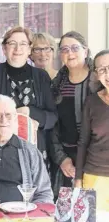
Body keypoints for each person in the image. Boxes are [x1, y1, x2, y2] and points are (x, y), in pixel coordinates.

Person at [0, 26, 57, 171]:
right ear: (4, 49)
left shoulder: (41, 76)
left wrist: (29, 111)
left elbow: (52, 117)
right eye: (12, 43)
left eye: (23, 44)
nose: (18, 48)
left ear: (30, 49)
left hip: (35, 150)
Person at [49, 31, 97, 198]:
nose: (70, 53)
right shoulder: (56, 84)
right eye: (64, 49)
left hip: (96, 160)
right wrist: (62, 159)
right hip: (65, 161)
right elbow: (52, 126)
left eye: (75, 48)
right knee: (66, 215)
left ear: (86, 50)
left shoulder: (100, 82)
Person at [75, 49, 109, 211]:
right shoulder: (91, 101)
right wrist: (77, 179)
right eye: (102, 69)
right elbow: (83, 142)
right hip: (94, 175)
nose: (107, 74)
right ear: (96, 73)